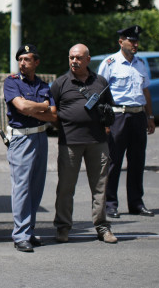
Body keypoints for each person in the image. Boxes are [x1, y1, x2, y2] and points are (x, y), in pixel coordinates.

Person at [50, 44, 118, 244]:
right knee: (65, 188)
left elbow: (109, 108)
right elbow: (51, 112)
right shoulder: (60, 83)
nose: (74, 61)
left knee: (100, 188)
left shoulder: (101, 82)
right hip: (69, 143)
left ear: (88, 59)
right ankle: (63, 227)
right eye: (71, 57)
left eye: (78, 58)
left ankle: (103, 227)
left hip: (97, 142)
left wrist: (107, 121)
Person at [3, 44, 57, 252]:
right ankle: (20, 235)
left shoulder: (43, 85)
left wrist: (36, 109)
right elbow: (21, 107)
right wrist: (41, 107)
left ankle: (29, 231)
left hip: (40, 136)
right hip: (21, 139)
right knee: (22, 187)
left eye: (27, 59)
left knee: (36, 187)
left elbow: (53, 115)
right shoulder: (12, 82)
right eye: (20, 59)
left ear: (36, 62)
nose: (22, 63)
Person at [98, 25, 156, 219]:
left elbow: (145, 90)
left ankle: (136, 203)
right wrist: (104, 121)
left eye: (137, 41)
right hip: (118, 116)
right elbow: (100, 92)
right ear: (121, 41)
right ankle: (110, 204)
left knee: (138, 161)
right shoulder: (110, 63)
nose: (135, 44)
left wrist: (150, 117)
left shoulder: (140, 63)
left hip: (138, 115)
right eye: (131, 41)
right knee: (114, 162)